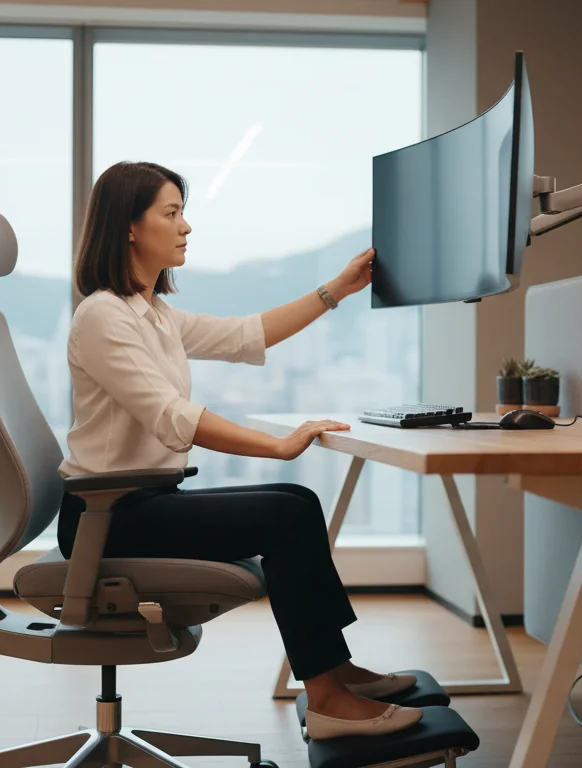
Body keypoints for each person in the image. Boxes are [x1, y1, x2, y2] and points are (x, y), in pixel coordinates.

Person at [58, 160, 421, 741]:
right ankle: (327, 697)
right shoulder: (103, 315)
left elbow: (243, 334)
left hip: (137, 505)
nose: (186, 227)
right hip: (107, 519)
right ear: (130, 226)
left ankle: (335, 670)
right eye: (171, 213)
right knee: (288, 513)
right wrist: (277, 446)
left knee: (295, 503)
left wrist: (337, 290)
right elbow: (173, 416)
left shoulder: (153, 314)